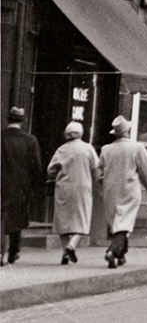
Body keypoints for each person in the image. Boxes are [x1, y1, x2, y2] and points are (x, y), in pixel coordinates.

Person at [98, 114, 147, 269]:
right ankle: (113, 251)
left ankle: (121, 255)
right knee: (124, 224)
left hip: (110, 190)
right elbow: (146, 173)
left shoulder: (106, 149)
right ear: (128, 132)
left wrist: (101, 187)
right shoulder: (137, 148)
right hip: (130, 191)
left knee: (116, 223)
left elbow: (98, 173)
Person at [47, 121, 99, 265]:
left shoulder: (61, 150)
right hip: (83, 188)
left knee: (63, 222)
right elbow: (96, 167)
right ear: (81, 134)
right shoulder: (88, 149)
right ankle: (72, 245)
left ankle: (65, 253)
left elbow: (51, 170)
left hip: (64, 188)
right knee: (81, 219)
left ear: (67, 135)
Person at [2, 107, 45, 264]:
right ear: (23, 121)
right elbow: (37, 167)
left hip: (2, 184)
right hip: (21, 186)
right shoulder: (30, 140)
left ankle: (0, 253)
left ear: (8, 119)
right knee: (17, 217)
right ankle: (13, 251)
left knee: (2, 218)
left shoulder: (1, 138)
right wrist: (33, 186)